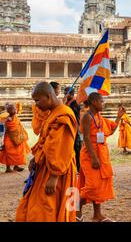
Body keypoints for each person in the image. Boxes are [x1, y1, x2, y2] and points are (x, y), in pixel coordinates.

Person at [16, 82, 77, 222]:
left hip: (58, 170)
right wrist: (35, 158)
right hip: (45, 167)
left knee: (47, 207)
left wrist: (55, 175)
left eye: (37, 100)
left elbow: (61, 147)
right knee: (38, 206)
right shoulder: (53, 113)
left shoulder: (64, 115)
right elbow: (46, 141)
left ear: (48, 96)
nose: (36, 105)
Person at [76, 93, 125, 222]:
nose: (104, 104)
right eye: (102, 102)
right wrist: (93, 157)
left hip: (101, 154)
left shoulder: (99, 117)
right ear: (94, 102)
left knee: (99, 184)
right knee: (92, 186)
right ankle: (76, 210)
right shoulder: (87, 117)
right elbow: (86, 138)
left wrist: (118, 117)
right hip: (89, 154)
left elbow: (111, 130)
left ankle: (97, 215)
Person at [0, 103, 30, 173]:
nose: (16, 110)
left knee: (16, 152)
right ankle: (8, 168)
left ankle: (16, 166)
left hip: (17, 138)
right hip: (9, 138)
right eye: (14, 109)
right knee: (8, 153)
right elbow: (4, 129)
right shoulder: (6, 119)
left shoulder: (14, 117)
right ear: (12, 111)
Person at [64, 86, 82, 171]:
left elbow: (70, 114)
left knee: (76, 147)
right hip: (68, 128)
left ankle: (78, 167)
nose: (64, 95)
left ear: (71, 94)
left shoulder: (75, 103)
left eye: (66, 94)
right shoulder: (67, 102)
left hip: (74, 128)